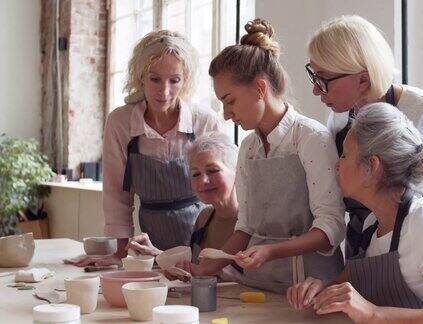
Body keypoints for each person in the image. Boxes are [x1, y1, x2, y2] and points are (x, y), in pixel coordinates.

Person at [173, 19, 346, 293]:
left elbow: (330, 229)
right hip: (259, 284)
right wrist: (209, 266)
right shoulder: (249, 148)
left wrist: (271, 251)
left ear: (260, 88)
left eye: (230, 101)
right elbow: (246, 227)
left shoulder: (310, 138)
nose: (227, 114)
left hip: (310, 288)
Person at [287, 103, 423, 324]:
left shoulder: (422, 222)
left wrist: (374, 314)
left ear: (372, 166)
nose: (337, 165)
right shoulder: (371, 226)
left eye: (345, 155)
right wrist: (320, 288)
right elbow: (343, 291)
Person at [305, 15, 423, 259]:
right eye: (313, 76)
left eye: (323, 79)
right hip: (364, 245)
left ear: (362, 79)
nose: (316, 89)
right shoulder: (339, 118)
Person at [74, 30, 221, 267]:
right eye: (155, 79)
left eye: (175, 80)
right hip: (150, 240)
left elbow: (222, 192)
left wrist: (218, 255)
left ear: (186, 80)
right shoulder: (120, 123)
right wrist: (120, 255)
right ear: (141, 76)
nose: (164, 92)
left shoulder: (204, 121)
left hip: (205, 239)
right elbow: (117, 195)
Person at [127, 132, 238, 265]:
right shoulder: (204, 217)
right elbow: (195, 266)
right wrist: (156, 254)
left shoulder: (251, 221)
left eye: (213, 170)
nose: (203, 180)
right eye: (195, 174)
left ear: (237, 170)